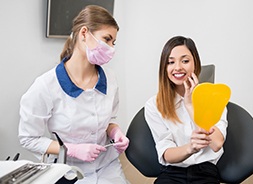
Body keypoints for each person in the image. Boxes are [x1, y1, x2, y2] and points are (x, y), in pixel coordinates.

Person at [18, 5, 129, 184]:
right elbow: (28, 139)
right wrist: (71, 149)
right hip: (67, 170)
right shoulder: (46, 86)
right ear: (84, 33)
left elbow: (109, 120)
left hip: (106, 167)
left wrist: (115, 132)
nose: (111, 48)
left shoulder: (110, 79)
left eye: (113, 42)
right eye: (106, 39)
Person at [144, 36, 228, 184]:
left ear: (195, 63)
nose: (177, 67)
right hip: (172, 173)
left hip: (206, 171)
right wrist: (190, 148)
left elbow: (216, 144)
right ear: (164, 68)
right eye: (171, 62)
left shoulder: (214, 98)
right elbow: (167, 154)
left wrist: (191, 106)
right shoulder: (154, 105)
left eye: (185, 61)